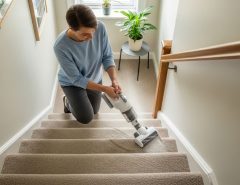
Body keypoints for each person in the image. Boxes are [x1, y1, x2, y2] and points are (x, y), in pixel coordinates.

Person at [54, 4, 121, 124]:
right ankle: (68, 102)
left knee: (94, 111)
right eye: (85, 34)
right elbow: (77, 79)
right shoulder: (60, 46)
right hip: (72, 83)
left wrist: (114, 80)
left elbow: (107, 56)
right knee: (86, 118)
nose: (91, 37)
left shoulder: (100, 27)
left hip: (94, 78)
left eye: (93, 31)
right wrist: (105, 89)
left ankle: (76, 101)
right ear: (71, 28)